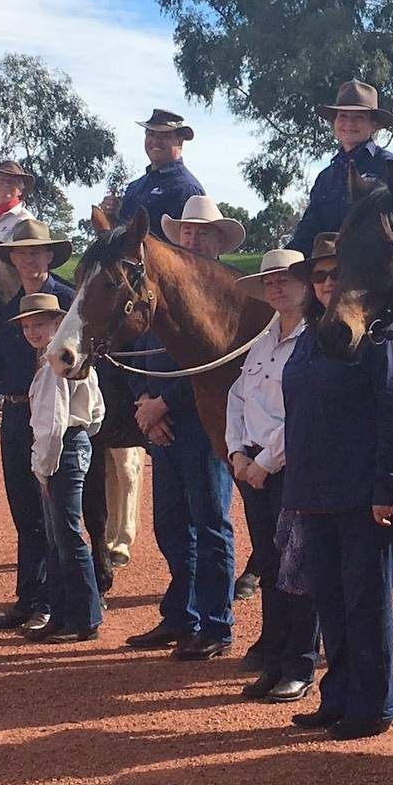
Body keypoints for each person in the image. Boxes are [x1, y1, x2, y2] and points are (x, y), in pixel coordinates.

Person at [282, 234, 393, 740]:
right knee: (331, 603)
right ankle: (338, 697)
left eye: (336, 273)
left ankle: (373, 704)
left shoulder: (383, 335)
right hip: (315, 495)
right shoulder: (309, 337)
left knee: (366, 602)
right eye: (318, 276)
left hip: (365, 496)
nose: (326, 283)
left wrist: (391, 486)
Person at [121, 196, 245, 661]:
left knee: (210, 523)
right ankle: (181, 615)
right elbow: (137, 343)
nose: (193, 239)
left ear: (217, 240)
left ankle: (216, 624)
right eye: (188, 231)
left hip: (203, 422)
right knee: (171, 524)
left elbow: (218, 364)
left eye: (202, 232)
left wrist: (163, 404)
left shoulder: (228, 295)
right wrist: (144, 402)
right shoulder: (162, 289)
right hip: (162, 422)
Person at [0, 220, 76, 634]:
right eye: (22, 253)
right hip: (15, 415)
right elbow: (4, 365)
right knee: (25, 513)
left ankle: (52, 602)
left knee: (54, 515)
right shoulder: (9, 308)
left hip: (54, 416)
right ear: (12, 259)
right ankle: (27, 598)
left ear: (49, 256)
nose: (29, 259)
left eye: (36, 252)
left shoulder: (69, 301)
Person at [225, 245, 316, 703]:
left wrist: (263, 462)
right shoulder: (262, 341)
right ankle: (276, 658)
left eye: (285, 279)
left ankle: (300, 663)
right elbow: (237, 397)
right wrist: (237, 451)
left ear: (305, 285)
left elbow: (306, 412)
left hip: (292, 468)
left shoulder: (314, 339)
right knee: (269, 563)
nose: (277, 287)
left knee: (298, 568)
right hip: (255, 466)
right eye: (270, 282)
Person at [14, 293, 107, 645]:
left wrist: (43, 467)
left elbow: (53, 425)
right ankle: (65, 614)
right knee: (58, 539)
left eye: (39, 324)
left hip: (59, 451)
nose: (32, 332)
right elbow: (97, 415)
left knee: (66, 537)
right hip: (70, 445)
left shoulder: (55, 368)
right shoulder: (61, 363)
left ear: (58, 324)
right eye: (27, 326)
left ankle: (84, 618)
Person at [287, 80, 393, 253]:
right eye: (343, 116)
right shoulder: (326, 177)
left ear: (374, 125)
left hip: (376, 264)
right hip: (327, 265)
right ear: (334, 123)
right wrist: (288, 258)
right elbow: (309, 229)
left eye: (359, 117)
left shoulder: (392, 168)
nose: (349, 123)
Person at [101, 109, 205, 232]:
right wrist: (111, 215)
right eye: (151, 134)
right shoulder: (135, 187)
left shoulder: (187, 189)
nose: (155, 141)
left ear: (180, 142)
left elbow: (195, 240)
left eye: (165, 136)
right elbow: (122, 236)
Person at [0, 159, 36, 240]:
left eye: (12, 181)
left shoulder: (25, 221)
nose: (6, 184)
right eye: (1, 180)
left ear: (21, 190)